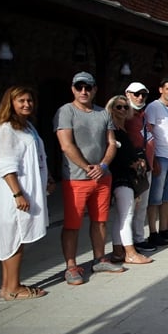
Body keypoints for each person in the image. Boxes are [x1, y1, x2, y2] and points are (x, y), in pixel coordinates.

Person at [54, 72, 122, 285]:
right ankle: (71, 266)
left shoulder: (103, 113)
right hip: (76, 178)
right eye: (79, 87)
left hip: (102, 177)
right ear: (73, 89)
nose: (83, 91)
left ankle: (100, 259)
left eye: (88, 87)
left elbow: (111, 143)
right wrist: (86, 167)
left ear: (94, 90)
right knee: (72, 224)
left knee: (100, 220)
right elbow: (66, 145)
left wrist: (103, 165)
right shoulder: (66, 111)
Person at [0, 86, 53, 300]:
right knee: (14, 237)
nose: (27, 104)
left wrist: (48, 178)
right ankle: (14, 288)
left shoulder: (27, 127)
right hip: (15, 192)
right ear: (11, 103)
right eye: (21, 101)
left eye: (29, 100)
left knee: (13, 237)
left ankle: (6, 286)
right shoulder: (7, 129)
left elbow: (38, 156)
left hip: (27, 190)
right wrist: (17, 194)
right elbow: (6, 165)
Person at [105, 96, 153, 265]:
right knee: (126, 215)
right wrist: (133, 163)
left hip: (129, 177)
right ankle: (130, 253)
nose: (123, 110)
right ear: (111, 108)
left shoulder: (123, 129)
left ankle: (118, 251)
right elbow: (114, 156)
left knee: (121, 215)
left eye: (126, 107)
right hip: (120, 177)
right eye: (119, 107)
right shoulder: (111, 130)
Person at [145, 78, 168, 247]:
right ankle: (153, 232)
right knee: (155, 197)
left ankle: (164, 228)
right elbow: (149, 132)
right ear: (161, 89)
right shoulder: (153, 107)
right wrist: (152, 158)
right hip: (161, 155)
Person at [123, 82, 156, 253]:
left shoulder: (143, 114)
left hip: (146, 166)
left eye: (143, 94)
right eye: (136, 94)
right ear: (128, 94)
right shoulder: (124, 114)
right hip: (132, 167)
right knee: (129, 208)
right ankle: (127, 243)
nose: (140, 97)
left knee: (142, 205)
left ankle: (138, 238)